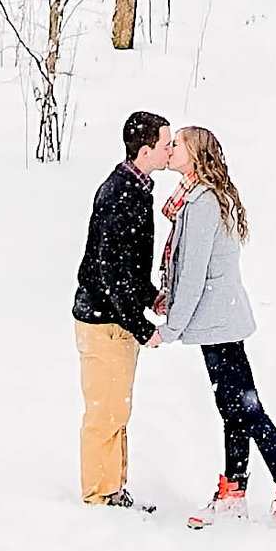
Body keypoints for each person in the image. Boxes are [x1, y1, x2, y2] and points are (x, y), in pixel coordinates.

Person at [152, 123, 276, 526]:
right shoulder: (193, 197)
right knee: (233, 408)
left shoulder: (201, 202)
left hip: (218, 320)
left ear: (197, 155)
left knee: (247, 410)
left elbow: (193, 273)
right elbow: (187, 269)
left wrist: (169, 328)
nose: (170, 149)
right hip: (216, 319)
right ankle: (233, 493)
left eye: (178, 144)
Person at [73, 110, 173, 509]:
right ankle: (100, 495)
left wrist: (150, 297)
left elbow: (129, 266)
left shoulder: (137, 188)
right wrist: (141, 325)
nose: (172, 151)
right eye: (166, 145)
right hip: (104, 321)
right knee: (104, 413)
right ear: (146, 150)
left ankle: (114, 488)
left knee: (117, 408)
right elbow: (110, 274)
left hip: (116, 319)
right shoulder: (120, 197)